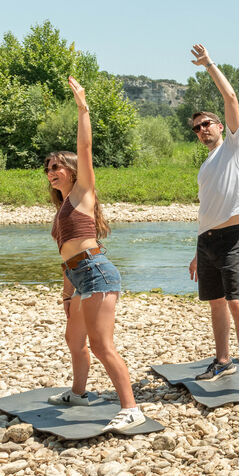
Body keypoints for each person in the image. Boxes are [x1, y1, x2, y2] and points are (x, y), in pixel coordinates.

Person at [45, 76, 146, 432]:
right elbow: (64, 256)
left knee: (102, 345)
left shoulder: (83, 193)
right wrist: (66, 292)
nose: (51, 172)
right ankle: (78, 393)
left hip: (97, 272)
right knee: (74, 340)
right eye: (48, 169)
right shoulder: (61, 210)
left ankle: (132, 408)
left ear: (72, 171)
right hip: (76, 276)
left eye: (56, 167)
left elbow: (85, 148)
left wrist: (82, 106)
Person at [186, 44, 239, 398]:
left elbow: (231, 96)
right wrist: (197, 248)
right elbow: (207, 207)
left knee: (237, 303)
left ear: (220, 126)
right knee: (216, 303)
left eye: (207, 124)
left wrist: (209, 65)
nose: (203, 129)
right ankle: (222, 360)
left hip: (232, 236)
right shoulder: (206, 165)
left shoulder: (234, 146)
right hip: (208, 240)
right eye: (197, 128)